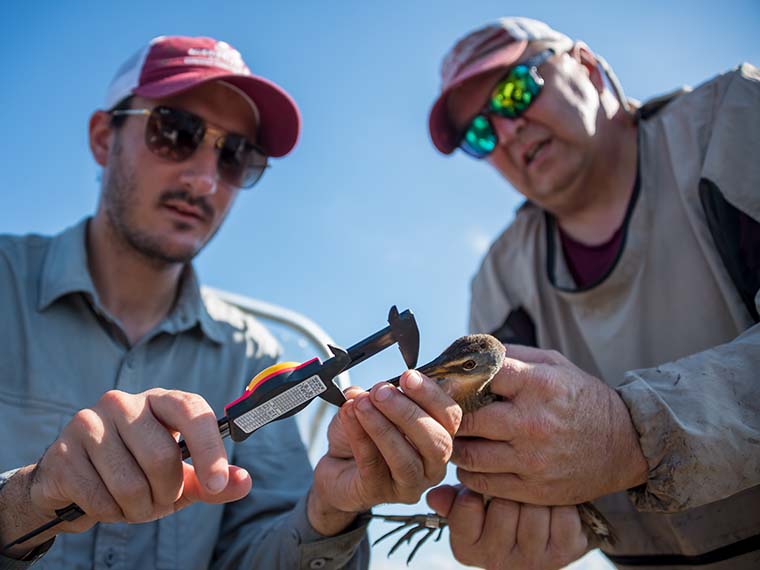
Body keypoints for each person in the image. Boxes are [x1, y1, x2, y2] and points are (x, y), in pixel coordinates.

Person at [0, 35, 461, 569]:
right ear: (104, 138)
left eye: (237, 155)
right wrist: (26, 498)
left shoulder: (255, 355)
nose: (204, 179)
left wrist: (330, 511)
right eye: (175, 133)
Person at [423, 17, 760, 569]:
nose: (506, 132)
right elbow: (520, 475)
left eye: (515, 91)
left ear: (586, 66)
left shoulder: (734, 123)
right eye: (480, 133)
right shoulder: (501, 278)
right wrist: (523, 517)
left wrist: (633, 435)